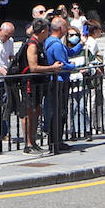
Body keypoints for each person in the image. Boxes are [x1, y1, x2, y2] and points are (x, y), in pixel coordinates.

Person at [41, 16, 75, 152]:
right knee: (59, 112)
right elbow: (62, 64)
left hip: (53, 81)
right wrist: (73, 65)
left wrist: (81, 44)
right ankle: (56, 141)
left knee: (55, 112)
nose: (67, 29)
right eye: (66, 27)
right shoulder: (56, 45)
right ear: (61, 28)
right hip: (59, 82)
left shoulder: (49, 41)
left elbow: (70, 52)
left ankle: (55, 141)